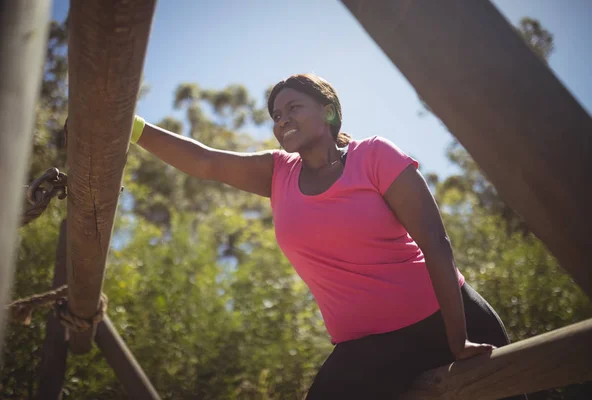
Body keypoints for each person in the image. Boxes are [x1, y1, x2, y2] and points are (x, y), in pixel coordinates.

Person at [130, 73, 526, 399]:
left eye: (293, 107)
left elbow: (436, 245)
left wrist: (457, 340)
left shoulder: (374, 156)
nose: (281, 119)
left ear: (329, 111)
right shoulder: (278, 173)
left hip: (448, 321)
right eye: (276, 114)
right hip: (368, 348)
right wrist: (129, 127)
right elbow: (206, 161)